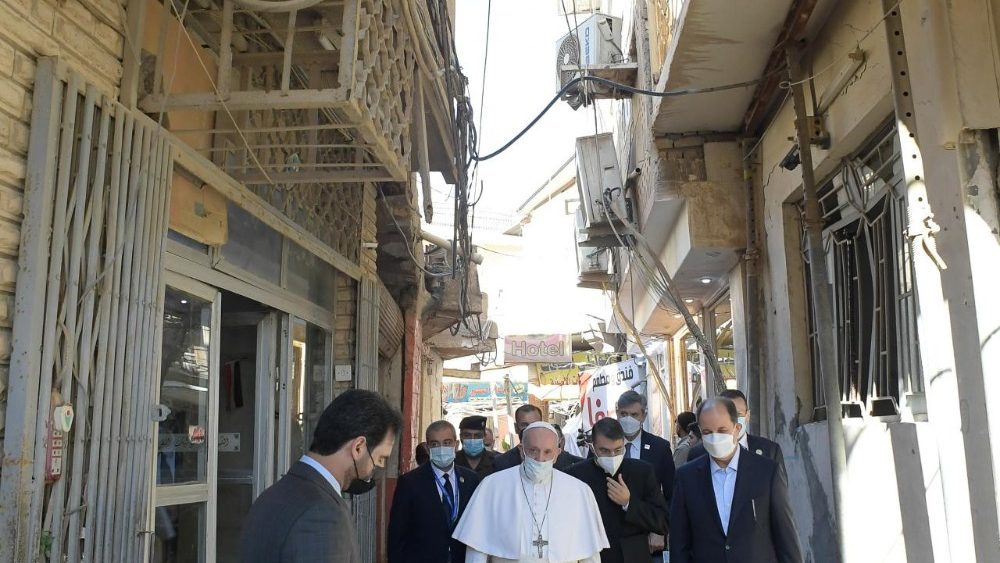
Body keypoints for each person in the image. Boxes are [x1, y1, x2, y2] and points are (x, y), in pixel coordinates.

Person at [241, 389, 401, 563]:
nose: (378, 467)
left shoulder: (271, 496)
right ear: (358, 447)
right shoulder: (323, 515)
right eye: (380, 458)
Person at [453, 422, 610, 562]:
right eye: (533, 450)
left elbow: (589, 553)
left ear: (557, 454)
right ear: (522, 451)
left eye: (547, 452)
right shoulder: (492, 486)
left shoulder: (579, 491)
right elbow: (477, 549)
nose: (540, 459)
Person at [669, 398, 802, 563]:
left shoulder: (767, 472)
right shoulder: (686, 477)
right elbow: (679, 542)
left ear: (737, 428)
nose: (715, 438)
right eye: (707, 432)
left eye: (722, 430)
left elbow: (786, 536)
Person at [566, 418, 668, 563]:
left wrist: (628, 503)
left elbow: (662, 521)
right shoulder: (575, 475)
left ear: (624, 445)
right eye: (604, 450)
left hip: (633, 556)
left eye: (618, 450)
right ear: (593, 447)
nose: (612, 456)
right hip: (592, 556)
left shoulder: (642, 472)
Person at [389, 421, 481, 563]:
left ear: (456, 445)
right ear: (427, 447)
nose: (441, 448)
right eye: (435, 444)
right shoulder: (410, 482)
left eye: (447, 442)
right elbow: (397, 535)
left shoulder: (471, 480)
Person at [615, 390, 675, 558]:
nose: (628, 419)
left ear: (643, 416)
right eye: (623, 414)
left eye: (634, 414)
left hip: (649, 538)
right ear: (617, 413)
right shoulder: (603, 446)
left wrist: (661, 529)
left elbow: (672, 495)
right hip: (613, 538)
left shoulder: (660, 448)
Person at [686, 389, 787, 481]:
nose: (733, 420)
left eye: (738, 414)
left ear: (747, 416)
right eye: (728, 414)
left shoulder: (770, 451)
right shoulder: (697, 454)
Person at [492, 404, 544, 470]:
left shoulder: (559, 460)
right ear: (516, 428)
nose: (530, 429)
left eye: (534, 425)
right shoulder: (502, 463)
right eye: (524, 425)